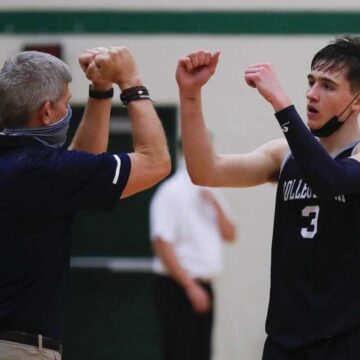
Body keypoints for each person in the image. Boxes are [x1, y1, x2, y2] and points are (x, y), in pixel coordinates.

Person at [176, 36, 360, 359]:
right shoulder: (285, 156)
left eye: (328, 86)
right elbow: (207, 171)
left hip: (342, 344)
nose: (311, 94)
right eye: (311, 82)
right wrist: (190, 96)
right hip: (283, 344)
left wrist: (279, 102)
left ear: (357, 100)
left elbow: (331, 179)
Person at [0, 46, 170, 360]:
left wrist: (100, 90)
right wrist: (131, 81)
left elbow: (78, 170)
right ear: (47, 111)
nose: (68, 112)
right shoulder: (41, 169)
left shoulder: (26, 166)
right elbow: (156, 161)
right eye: (66, 104)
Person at [149, 145, 236, 360]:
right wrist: (190, 286)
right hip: (178, 287)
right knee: (179, 351)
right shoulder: (170, 192)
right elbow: (161, 244)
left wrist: (215, 204)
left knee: (202, 353)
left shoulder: (211, 189)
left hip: (204, 285)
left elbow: (231, 234)